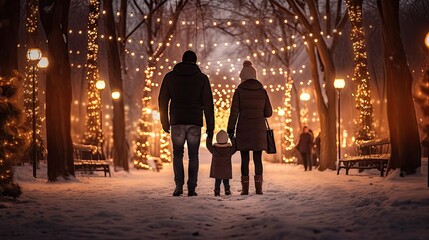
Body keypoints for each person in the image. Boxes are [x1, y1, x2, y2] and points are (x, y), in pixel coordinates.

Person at [158, 50, 214, 197]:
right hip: (195, 121)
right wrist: (211, 126)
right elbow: (208, 104)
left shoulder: (170, 77)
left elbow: (162, 100)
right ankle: (191, 188)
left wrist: (165, 121)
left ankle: (178, 186)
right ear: (195, 62)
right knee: (193, 155)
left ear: (182, 60)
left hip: (176, 121)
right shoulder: (202, 78)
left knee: (177, 154)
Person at [227, 60, 272, 195]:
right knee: (258, 160)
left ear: (242, 77)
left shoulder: (239, 91)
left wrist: (230, 129)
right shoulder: (262, 91)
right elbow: (268, 113)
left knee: (244, 160)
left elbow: (234, 112)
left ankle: (245, 190)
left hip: (243, 128)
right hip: (259, 129)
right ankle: (259, 189)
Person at [207, 130, 237, 196]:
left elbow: (208, 145)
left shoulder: (214, 149)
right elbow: (235, 147)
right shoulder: (229, 150)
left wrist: (209, 137)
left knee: (217, 181)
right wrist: (232, 138)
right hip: (226, 170)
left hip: (217, 170)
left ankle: (217, 191)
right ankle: (227, 190)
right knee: (226, 181)